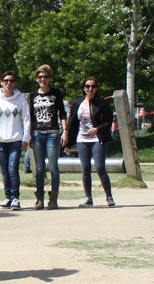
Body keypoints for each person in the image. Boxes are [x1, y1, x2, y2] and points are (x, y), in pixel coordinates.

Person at [65, 76, 115, 207]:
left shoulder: (102, 103)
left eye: (93, 86)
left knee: (100, 167)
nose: (90, 89)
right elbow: (72, 124)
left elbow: (109, 122)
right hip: (82, 139)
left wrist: (97, 129)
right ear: (83, 88)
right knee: (85, 168)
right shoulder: (77, 102)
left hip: (97, 138)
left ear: (97, 88)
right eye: (87, 86)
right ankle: (88, 197)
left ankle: (109, 196)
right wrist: (68, 143)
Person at [0, 71, 30, 210]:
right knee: (4, 170)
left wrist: (26, 138)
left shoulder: (20, 99)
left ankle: (15, 197)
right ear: (1, 82)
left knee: (12, 168)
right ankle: (8, 197)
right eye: (6, 80)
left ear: (15, 83)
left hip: (15, 139)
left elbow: (27, 120)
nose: (8, 83)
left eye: (12, 81)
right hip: (0, 140)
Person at [27, 64, 67, 210]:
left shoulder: (56, 93)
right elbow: (31, 116)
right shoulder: (32, 95)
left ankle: (54, 198)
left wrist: (65, 131)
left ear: (50, 78)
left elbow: (62, 113)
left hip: (53, 133)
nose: (42, 79)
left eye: (45, 77)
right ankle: (39, 198)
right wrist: (30, 134)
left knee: (53, 167)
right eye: (40, 76)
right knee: (39, 168)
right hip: (38, 133)